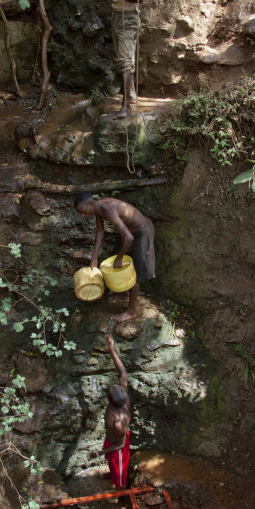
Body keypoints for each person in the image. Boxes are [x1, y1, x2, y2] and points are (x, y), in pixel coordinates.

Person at [74, 191, 155, 323]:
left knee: (136, 273)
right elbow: (100, 231)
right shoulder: (98, 207)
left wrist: (119, 258)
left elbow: (128, 238)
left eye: (83, 211)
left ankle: (131, 311)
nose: (83, 215)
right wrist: (94, 257)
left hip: (142, 231)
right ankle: (124, 292)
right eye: (80, 213)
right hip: (130, 233)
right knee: (112, 259)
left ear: (90, 204)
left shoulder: (108, 209)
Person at [90, 0, 145, 120]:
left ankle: (126, 106)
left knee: (125, 62)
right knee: (123, 60)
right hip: (116, 17)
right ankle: (131, 96)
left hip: (128, 18)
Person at [90, 334, 131, 489]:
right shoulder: (123, 394)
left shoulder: (119, 422)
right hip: (111, 439)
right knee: (113, 466)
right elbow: (123, 373)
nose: (114, 385)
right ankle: (112, 473)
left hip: (117, 446)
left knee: (120, 476)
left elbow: (120, 446)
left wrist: (99, 453)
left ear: (110, 401)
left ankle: (121, 498)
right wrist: (111, 349)